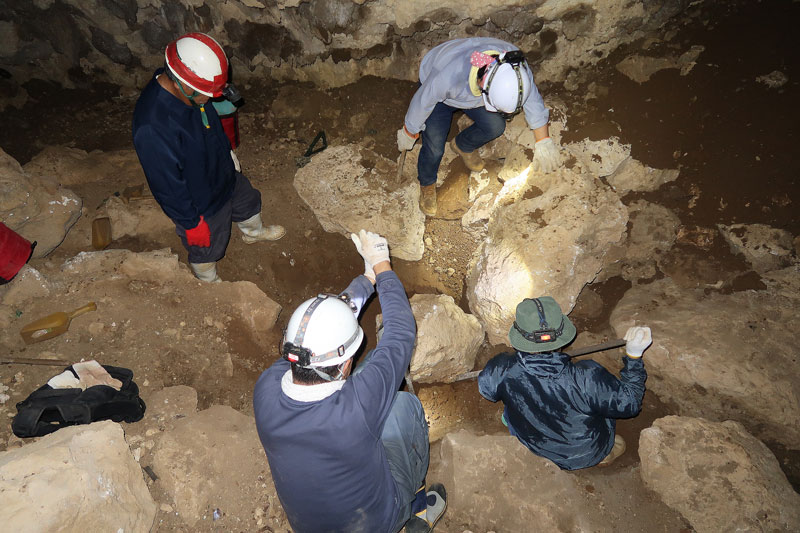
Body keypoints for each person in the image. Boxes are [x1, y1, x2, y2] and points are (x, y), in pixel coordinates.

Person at [253, 230, 447, 533]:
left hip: (308, 525)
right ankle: (414, 507)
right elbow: (400, 333)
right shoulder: (356, 407)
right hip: (375, 522)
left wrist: (367, 278)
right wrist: (382, 264)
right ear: (344, 364)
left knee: (372, 377)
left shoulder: (266, 388)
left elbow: (318, 337)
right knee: (402, 406)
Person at [132, 32, 284, 283]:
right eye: (206, 94)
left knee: (247, 201)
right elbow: (167, 186)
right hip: (200, 198)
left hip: (222, 171)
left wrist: (226, 153)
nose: (211, 99)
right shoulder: (153, 127)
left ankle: (253, 232)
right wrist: (191, 222)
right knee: (208, 243)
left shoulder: (187, 85)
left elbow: (207, 121)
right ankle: (208, 279)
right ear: (181, 83)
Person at [478, 296, 651, 470]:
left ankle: (516, 424)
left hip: (531, 441)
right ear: (562, 334)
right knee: (607, 422)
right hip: (582, 453)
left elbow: (487, 390)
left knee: (512, 407)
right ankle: (602, 456)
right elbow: (630, 403)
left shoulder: (502, 367)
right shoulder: (587, 377)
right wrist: (634, 356)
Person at [397, 37, 563, 217]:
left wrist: (543, 141)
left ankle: (463, 145)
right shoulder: (448, 76)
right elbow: (423, 101)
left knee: (495, 126)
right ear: (484, 85)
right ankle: (427, 184)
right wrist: (409, 131)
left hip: (475, 91)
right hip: (439, 94)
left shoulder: (514, 70)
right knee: (435, 146)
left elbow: (534, 103)